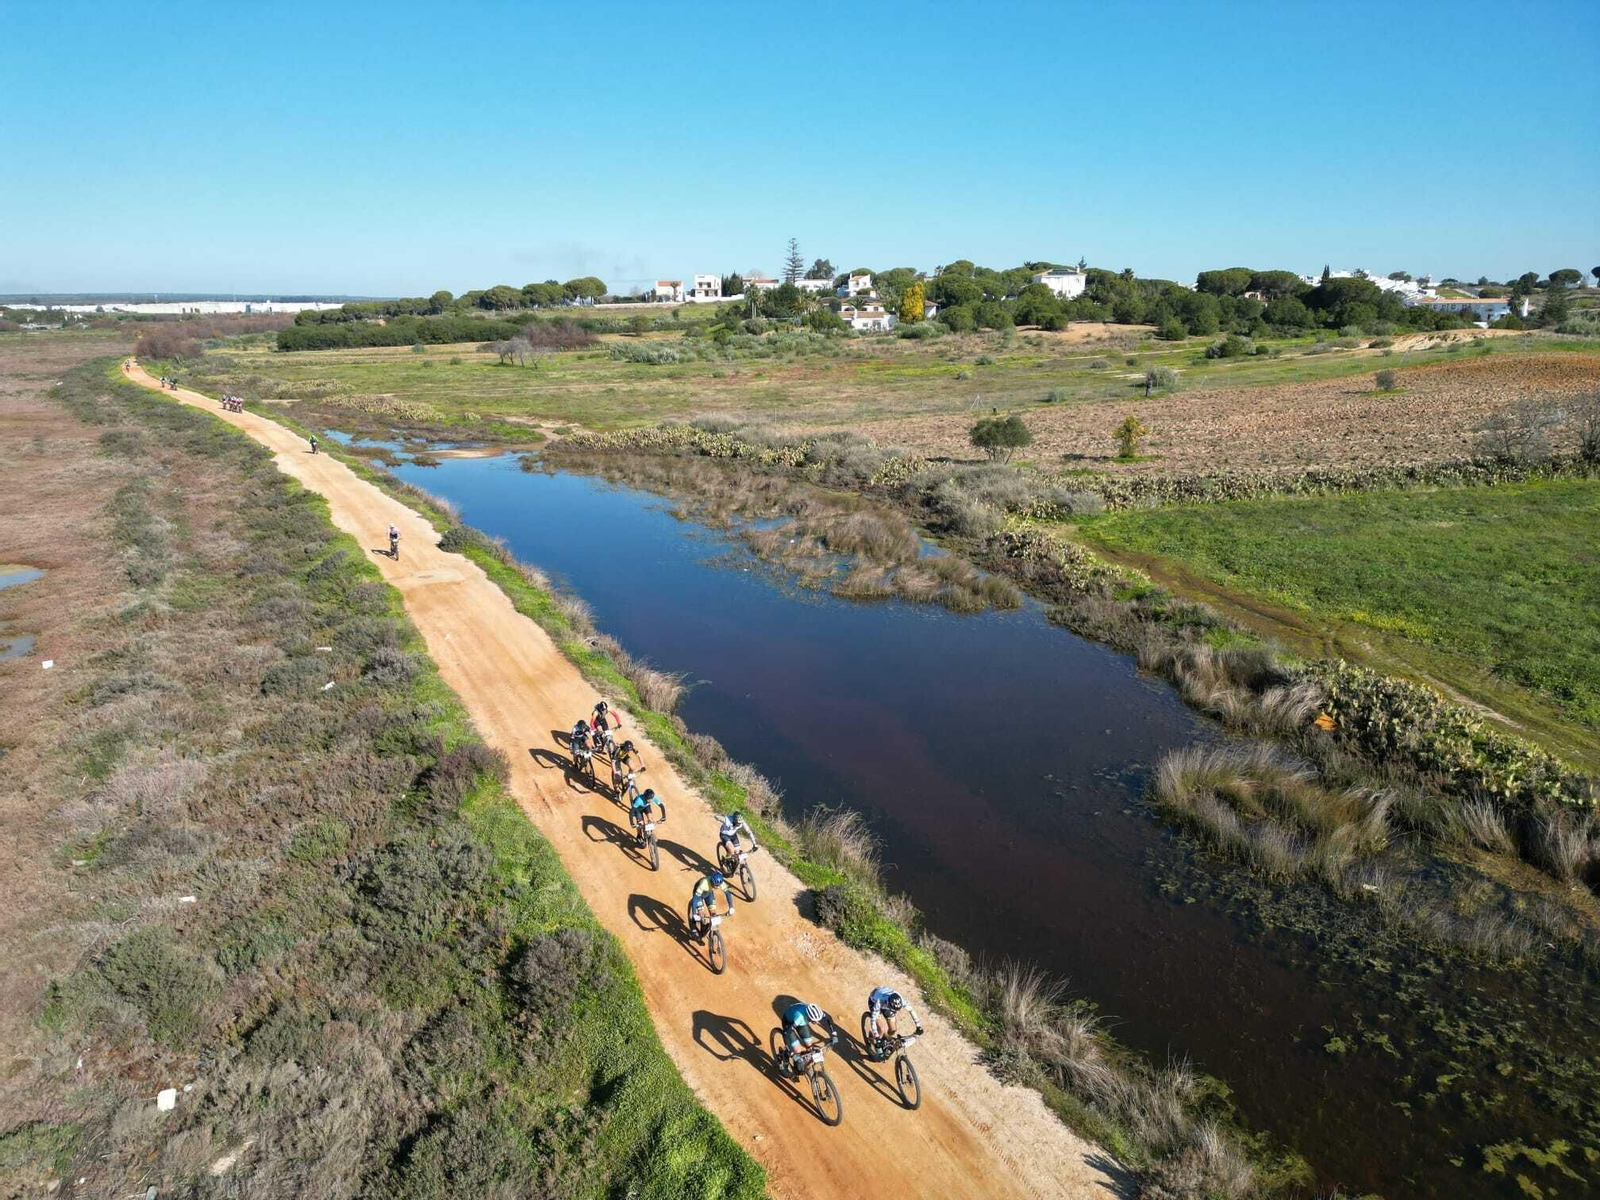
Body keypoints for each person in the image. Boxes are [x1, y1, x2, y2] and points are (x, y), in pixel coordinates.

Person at [779, 1001, 838, 1071]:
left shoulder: (816, 1012)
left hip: (801, 1023)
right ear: (810, 1017)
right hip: (789, 1023)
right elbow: (786, 1033)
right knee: (797, 1050)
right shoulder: (799, 1018)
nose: (817, 1022)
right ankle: (784, 1057)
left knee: (810, 1047)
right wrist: (791, 1053)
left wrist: (834, 1034)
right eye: (815, 1021)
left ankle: (804, 1064)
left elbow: (828, 1019)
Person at [866, 986, 924, 1052]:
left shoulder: (901, 1000)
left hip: (886, 1002)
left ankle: (884, 1040)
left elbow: (911, 1010)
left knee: (893, 1029)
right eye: (894, 1010)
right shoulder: (879, 1002)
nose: (895, 1012)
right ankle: (873, 1040)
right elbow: (873, 1020)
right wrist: (877, 1037)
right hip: (873, 1001)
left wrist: (918, 1026)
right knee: (881, 1028)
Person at [688, 870, 734, 939]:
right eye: (715, 885)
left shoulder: (720, 881)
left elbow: (727, 893)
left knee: (713, 914)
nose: (717, 887)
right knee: (701, 914)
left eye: (718, 886)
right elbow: (695, 898)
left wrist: (731, 907)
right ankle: (693, 928)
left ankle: (710, 930)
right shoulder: (704, 883)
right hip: (699, 895)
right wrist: (694, 913)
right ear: (712, 881)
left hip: (708, 893)